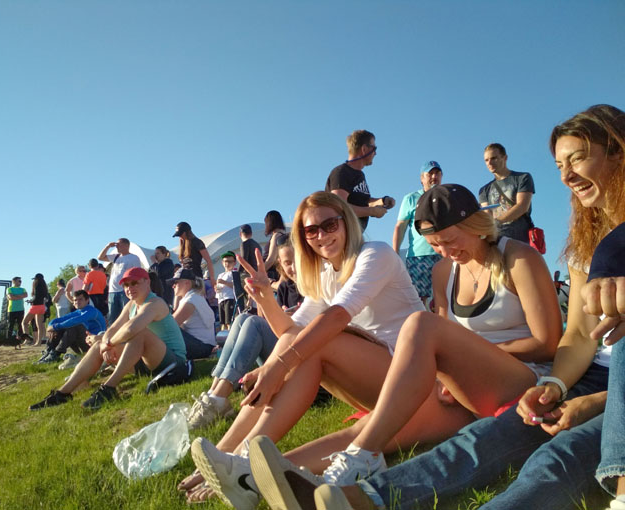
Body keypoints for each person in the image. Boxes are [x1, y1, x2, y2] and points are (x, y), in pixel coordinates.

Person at [247, 104, 625, 510]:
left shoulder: (516, 258)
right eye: (434, 244)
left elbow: (548, 342)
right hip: (482, 382)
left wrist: (474, 359)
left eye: (449, 239)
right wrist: (544, 384)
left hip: (520, 374)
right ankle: (266, 476)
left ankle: (361, 461)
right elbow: (578, 334)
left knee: (424, 330)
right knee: (419, 429)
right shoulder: (449, 271)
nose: (444, 250)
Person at [187, 191, 424, 509]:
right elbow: (291, 332)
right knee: (298, 346)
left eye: (330, 225)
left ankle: (242, 462)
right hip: (379, 379)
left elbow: (337, 316)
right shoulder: (326, 273)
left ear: (346, 222)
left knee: (317, 343)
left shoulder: (375, 254)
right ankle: (228, 453)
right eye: (311, 230)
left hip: (412, 374)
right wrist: (266, 299)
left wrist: (277, 367)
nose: (321, 235)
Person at [184, 240, 302, 434]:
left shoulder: (313, 287)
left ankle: (218, 399)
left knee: (253, 323)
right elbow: (271, 324)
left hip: (300, 357)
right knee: (242, 318)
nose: (293, 268)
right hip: (281, 350)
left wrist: (290, 318)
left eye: (297, 260)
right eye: (288, 263)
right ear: (281, 265)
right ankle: (214, 393)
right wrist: (262, 299)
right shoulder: (284, 288)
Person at [29, 267, 187, 411]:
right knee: (98, 344)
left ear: (147, 282)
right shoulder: (131, 305)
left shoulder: (155, 303)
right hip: (147, 362)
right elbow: (113, 328)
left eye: (134, 283)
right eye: (126, 285)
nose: (129, 288)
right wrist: (105, 343)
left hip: (173, 365)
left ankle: (108, 389)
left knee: (140, 333)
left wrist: (109, 344)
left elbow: (131, 329)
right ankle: (62, 393)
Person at [392, 160, 444, 307]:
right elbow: (400, 227)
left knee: (444, 297)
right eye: (430, 173)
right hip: (418, 257)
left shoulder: (447, 197)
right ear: (422, 178)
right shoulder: (411, 198)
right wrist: (395, 253)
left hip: (444, 254)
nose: (434, 177)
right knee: (418, 300)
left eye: (437, 173)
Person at [325, 129, 395, 231]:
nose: (375, 153)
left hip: (354, 235)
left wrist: (383, 201)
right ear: (364, 149)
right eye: (374, 148)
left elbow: (363, 203)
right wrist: (372, 211)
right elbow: (339, 206)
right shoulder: (342, 172)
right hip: (341, 235)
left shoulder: (359, 175)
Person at [479, 143, 535, 242]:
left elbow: (522, 206)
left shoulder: (522, 178)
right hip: (497, 241)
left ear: (505, 158)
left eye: (494, 158)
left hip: (521, 239)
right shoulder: (484, 190)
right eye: (486, 160)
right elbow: (487, 216)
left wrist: (497, 222)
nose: (489, 163)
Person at [36, 289, 107, 365]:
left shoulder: (92, 311)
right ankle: (49, 351)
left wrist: (55, 327)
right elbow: (60, 319)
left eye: (80, 299)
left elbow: (76, 320)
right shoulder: (78, 312)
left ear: (87, 300)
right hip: (86, 342)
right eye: (75, 300)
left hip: (95, 344)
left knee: (74, 325)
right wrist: (51, 325)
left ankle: (56, 353)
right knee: (62, 326)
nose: (77, 302)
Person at [171, 268, 216, 360]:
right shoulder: (195, 296)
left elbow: (170, 325)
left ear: (187, 283)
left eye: (176, 282)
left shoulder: (190, 301)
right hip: (205, 345)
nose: (173, 286)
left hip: (202, 347)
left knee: (166, 330)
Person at [98, 238, 141, 324]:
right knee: (112, 317)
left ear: (126, 245)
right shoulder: (116, 256)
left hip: (125, 290)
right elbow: (100, 257)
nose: (117, 247)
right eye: (116, 245)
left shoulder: (134, 258)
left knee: (127, 315)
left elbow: (137, 274)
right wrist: (108, 246)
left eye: (119, 245)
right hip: (113, 291)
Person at [173, 221, 216, 287]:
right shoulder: (183, 245)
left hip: (196, 277)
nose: (180, 237)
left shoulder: (197, 242)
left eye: (181, 234)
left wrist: (212, 278)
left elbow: (208, 261)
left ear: (186, 232)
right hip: (185, 277)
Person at [22, 273, 49, 347]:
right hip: (42, 306)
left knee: (24, 322)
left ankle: (27, 339)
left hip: (35, 306)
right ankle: (39, 342)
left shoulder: (37, 286)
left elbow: (36, 297)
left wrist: (30, 301)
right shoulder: (44, 287)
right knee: (39, 326)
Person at [262, 210, 288, 281]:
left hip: (271, 273)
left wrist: (259, 273)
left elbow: (271, 259)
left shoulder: (276, 236)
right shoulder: (284, 235)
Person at [216, 251, 237, 331]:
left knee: (229, 321)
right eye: (225, 261)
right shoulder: (220, 275)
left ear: (234, 263)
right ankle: (224, 334)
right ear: (222, 263)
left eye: (230, 261)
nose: (227, 264)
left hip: (229, 298)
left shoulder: (234, 273)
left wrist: (224, 282)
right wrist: (216, 288)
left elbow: (236, 286)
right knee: (222, 322)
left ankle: (230, 333)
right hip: (221, 299)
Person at [5, 276, 27, 343]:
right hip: (12, 309)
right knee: (10, 325)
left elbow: (25, 295)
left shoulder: (23, 289)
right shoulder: (9, 289)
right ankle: (9, 340)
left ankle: (20, 340)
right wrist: (20, 296)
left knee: (20, 325)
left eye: (20, 281)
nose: (20, 282)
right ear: (14, 281)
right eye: (19, 281)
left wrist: (15, 296)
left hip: (21, 309)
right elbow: (11, 297)